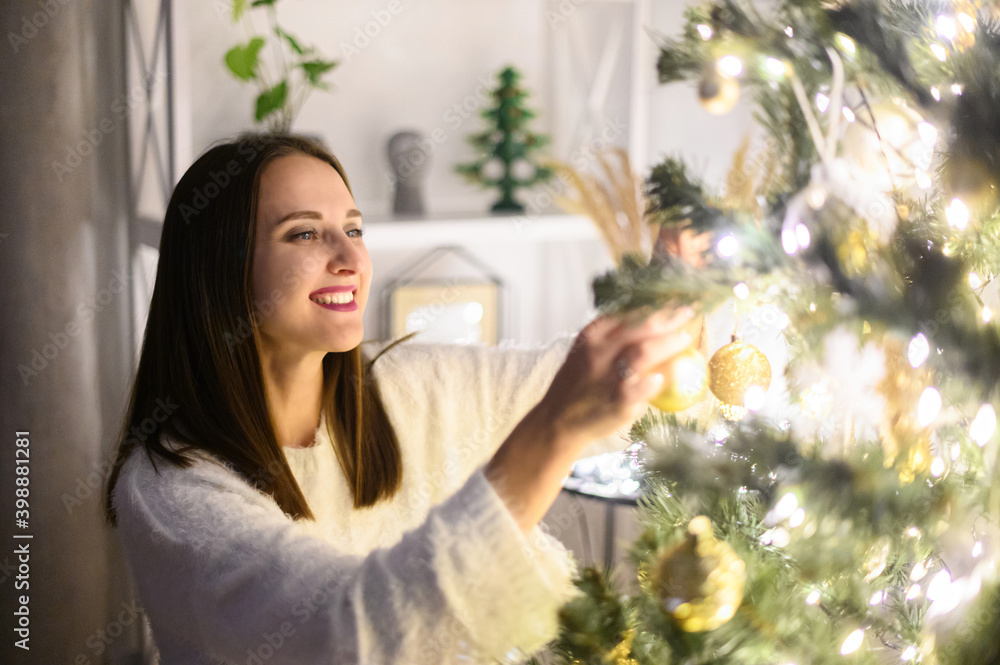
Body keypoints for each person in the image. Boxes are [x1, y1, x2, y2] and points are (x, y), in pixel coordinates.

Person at [103, 132, 696, 665]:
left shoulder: (403, 384)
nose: (350, 258)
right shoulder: (170, 490)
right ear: (218, 271)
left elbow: (604, 392)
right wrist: (553, 433)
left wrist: (677, 286)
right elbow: (349, 640)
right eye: (304, 232)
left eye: (354, 229)